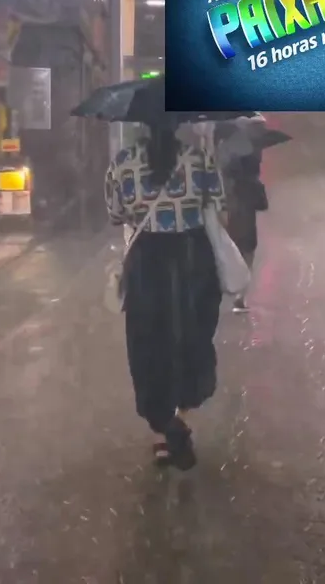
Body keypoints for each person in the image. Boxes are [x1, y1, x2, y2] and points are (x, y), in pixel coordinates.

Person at [105, 119, 225, 470]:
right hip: (192, 257)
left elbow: (116, 213)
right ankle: (180, 419)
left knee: (148, 342)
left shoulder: (123, 162)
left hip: (147, 261)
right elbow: (217, 203)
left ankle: (162, 431)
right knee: (192, 338)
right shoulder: (199, 159)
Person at [223, 151, 266, 313]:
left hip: (231, 226)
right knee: (247, 260)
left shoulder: (227, 184)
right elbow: (263, 205)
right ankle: (239, 297)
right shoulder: (253, 184)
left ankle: (231, 291)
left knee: (232, 258)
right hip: (248, 228)